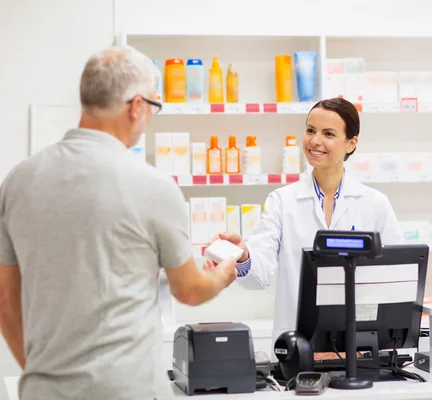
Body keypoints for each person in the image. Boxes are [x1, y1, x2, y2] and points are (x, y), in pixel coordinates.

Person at [0, 46, 237, 400]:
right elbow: (189, 289)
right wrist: (223, 273)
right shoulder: (154, 187)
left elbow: (6, 300)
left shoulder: (18, 181)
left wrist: (41, 372)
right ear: (136, 107)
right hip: (126, 390)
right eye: (154, 106)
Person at [207, 97, 402, 347]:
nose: (315, 141)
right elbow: (259, 276)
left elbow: (397, 277)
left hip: (359, 341)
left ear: (351, 143)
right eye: (310, 130)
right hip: (298, 345)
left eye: (328, 133)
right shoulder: (282, 201)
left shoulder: (375, 204)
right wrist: (244, 255)